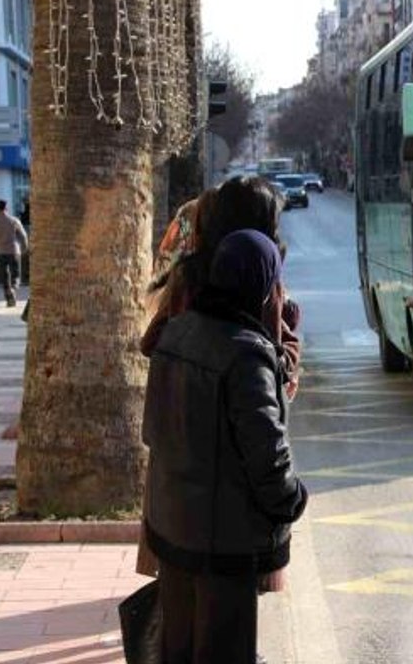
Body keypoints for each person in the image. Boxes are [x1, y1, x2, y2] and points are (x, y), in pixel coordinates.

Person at [143, 229, 307, 664]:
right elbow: (266, 454)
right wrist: (292, 499)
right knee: (223, 649)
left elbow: (154, 428)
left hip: (173, 523)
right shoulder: (246, 354)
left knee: (179, 648)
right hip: (223, 538)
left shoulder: (176, 332)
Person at [137, 178, 303, 579]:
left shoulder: (201, 268)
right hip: (228, 449)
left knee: (185, 566)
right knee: (225, 584)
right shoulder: (251, 275)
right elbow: (274, 352)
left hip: (182, 450)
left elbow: (152, 341)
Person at [0, 200, 28, 307]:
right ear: (7, 208)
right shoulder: (14, 220)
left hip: (0, 251)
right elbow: (23, 235)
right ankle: (13, 289)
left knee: (4, 275)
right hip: (14, 250)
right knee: (16, 274)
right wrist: (24, 248)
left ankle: (8, 297)